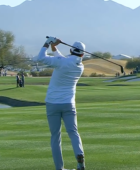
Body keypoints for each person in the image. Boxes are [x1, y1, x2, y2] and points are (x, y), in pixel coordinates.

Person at [36, 37, 86, 170]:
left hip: (52, 103)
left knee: (55, 137)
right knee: (73, 132)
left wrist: (47, 43)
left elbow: (40, 58)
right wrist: (54, 47)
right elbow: (63, 60)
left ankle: (60, 168)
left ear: (70, 49)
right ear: (82, 54)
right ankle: (80, 157)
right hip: (69, 104)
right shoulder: (80, 66)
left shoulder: (62, 62)